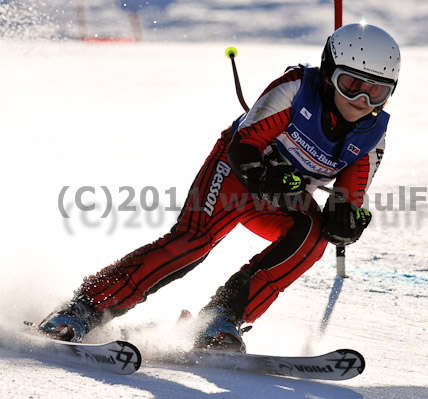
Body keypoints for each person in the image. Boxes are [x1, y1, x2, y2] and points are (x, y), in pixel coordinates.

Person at [39, 23, 401, 353]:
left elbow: (348, 198)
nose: (361, 101)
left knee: (313, 238)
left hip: (280, 196)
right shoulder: (295, 89)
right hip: (235, 173)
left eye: (377, 92)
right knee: (191, 243)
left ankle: (219, 320)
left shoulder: (373, 135)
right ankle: (84, 307)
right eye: (351, 85)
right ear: (327, 73)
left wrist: (345, 223)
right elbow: (243, 146)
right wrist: (261, 177)